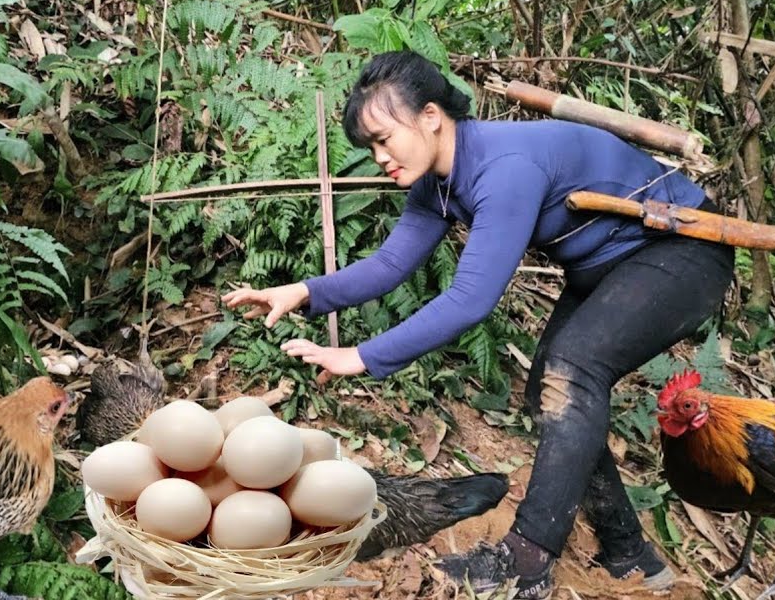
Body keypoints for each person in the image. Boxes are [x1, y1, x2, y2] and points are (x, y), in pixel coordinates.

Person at [221, 51, 733, 599]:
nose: (379, 158)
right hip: (605, 267)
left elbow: (470, 300)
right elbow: (391, 265)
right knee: (552, 390)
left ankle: (526, 559)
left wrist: (361, 356)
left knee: (573, 370)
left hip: (681, 252)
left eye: (384, 139)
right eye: (370, 148)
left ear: (431, 116)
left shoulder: (504, 166)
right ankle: (628, 549)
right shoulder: (435, 185)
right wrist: (302, 292)